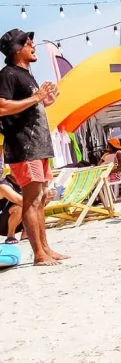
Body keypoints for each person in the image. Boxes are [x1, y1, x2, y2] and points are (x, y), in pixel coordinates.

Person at [0, 29, 65, 265]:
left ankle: (46, 249)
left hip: (38, 145)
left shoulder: (27, 75)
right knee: (31, 199)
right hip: (23, 146)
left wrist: (45, 101)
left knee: (41, 197)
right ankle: (38, 255)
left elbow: (27, 107)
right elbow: (2, 106)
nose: (33, 45)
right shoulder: (8, 74)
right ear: (18, 49)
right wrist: (36, 98)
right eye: (28, 42)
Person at [0, 173, 24, 244]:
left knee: (31, 206)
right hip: (2, 223)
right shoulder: (4, 185)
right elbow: (21, 201)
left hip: (17, 221)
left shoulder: (25, 183)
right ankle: (10, 235)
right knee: (20, 208)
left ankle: (26, 233)